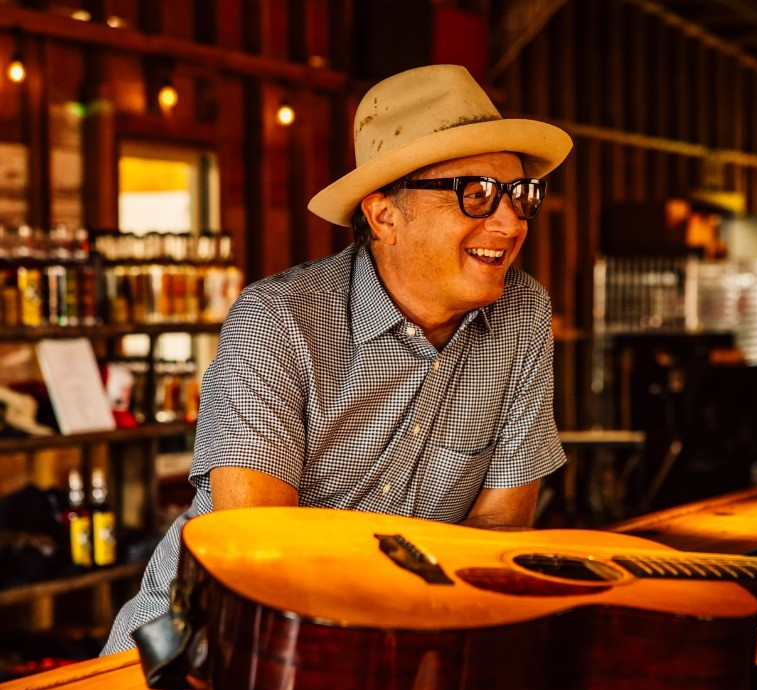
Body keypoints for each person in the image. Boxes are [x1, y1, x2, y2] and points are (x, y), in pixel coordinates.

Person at [102, 64, 573, 654]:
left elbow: (499, 531)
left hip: (395, 639)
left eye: (520, 195)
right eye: (476, 195)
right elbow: (262, 551)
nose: (510, 221)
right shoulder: (279, 320)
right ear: (384, 216)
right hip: (206, 645)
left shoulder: (523, 313)